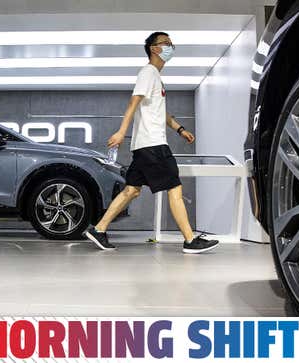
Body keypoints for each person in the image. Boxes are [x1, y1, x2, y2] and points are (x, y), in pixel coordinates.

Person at [85, 31, 219, 254]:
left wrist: (180, 129)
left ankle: (99, 229)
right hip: (153, 145)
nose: (170, 46)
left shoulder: (156, 76)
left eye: (171, 43)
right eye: (166, 43)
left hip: (143, 146)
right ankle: (189, 240)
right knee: (174, 187)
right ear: (154, 49)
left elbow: (161, 112)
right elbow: (133, 103)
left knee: (131, 190)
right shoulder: (148, 72)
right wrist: (120, 132)